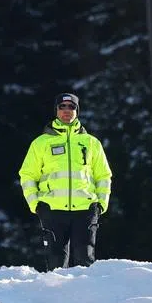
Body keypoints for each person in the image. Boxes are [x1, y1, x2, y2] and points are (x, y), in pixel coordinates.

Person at [18, 92, 113, 270]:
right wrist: (36, 204)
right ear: (56, 110)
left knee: (85, 263)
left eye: (71, 107)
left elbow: (103, 175)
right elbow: (28, 175)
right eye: (62, 107)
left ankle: (86, 297)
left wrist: (101, 204)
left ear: (77, 111)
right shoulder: (41, 143)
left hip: (85, 209)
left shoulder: (91, 143)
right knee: (56, 264)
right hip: (52, 209)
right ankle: (55, 297)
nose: (67, 111)